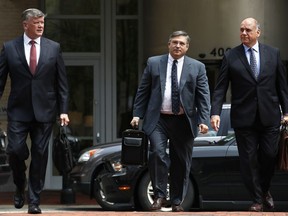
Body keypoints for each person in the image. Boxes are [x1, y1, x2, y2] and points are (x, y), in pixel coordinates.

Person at [210, 17, 288, 212]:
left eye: (248, 30)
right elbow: (220, 88)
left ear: (257, 33)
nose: (244, 33)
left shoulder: (273, 53)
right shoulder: (231, 56)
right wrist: (215, 113)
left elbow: (282, 87)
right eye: (241, 30)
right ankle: (257, 199)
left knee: (269, 156)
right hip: (243, 117)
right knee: (248, 160)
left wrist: (286, 112)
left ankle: (264, 190)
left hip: (270, 116)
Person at [130, 31, 210, 212]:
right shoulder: (153, 63)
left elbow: (203, 96)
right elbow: (143, 90)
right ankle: (159, 196)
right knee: (157, 153)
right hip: (158, 118)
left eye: (182, 43)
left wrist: (203, 119)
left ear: (187, 47)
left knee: (181, 161)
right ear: (168, 44)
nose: (178, 46)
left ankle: (176, 200)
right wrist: (137, 114)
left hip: (184, 120)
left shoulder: (197, 67)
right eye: (174, 42)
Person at [0, 8, 70, 214]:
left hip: (45, 112)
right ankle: (19, 185)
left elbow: (62, 83)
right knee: (14, 150)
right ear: (25, 25)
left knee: (39, 155)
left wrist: (63, 110)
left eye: (42, 23)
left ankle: (34, 201)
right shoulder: (9, 48)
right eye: (37, 22)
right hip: (18, 111)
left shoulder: (53, 48)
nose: (41, 26)